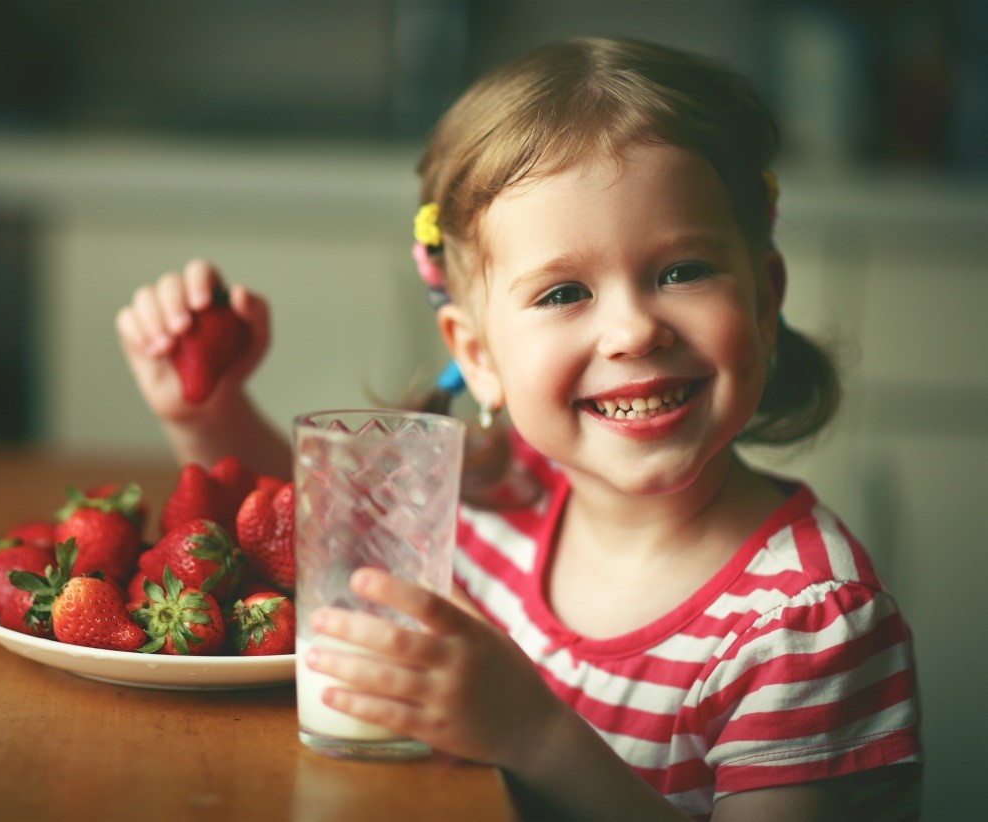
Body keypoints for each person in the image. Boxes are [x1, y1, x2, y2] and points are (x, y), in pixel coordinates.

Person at [116, 37, 921, 820]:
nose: (633, 331)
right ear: (477, 356)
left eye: (681, 271)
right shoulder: (498, 496)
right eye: (563, 292)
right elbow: (315, 537)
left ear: (764, 297)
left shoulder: (805, 625)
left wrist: (535, 735)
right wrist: (207, 410)